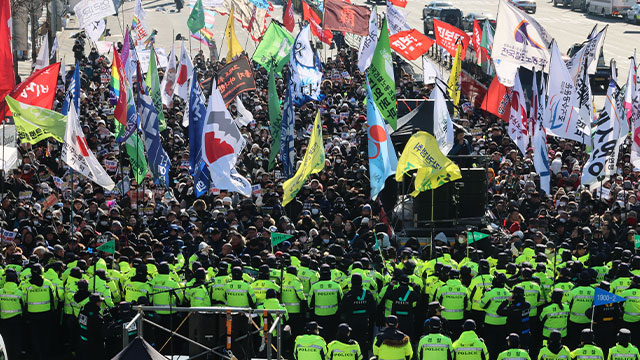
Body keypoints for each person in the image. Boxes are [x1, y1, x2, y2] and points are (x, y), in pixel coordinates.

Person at [22, 263, 55, 360]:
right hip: (46, 313)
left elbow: (24, 299)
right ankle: (45, 355)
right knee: (45, 335)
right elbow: (53, 295)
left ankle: (37, 355)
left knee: (35, 336)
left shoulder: (27, 284)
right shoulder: (48, 283)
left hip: (32, 314)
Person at [340, 273, 376, 355]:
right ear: (361, 282)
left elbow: (342, 309)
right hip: (364, 322)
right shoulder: (367, 294)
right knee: (363, 342)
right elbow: (373, 308)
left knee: (352, 341)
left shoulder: (348, 295)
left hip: (351, 322)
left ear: (352, 282)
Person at [309, 264, 342, 340]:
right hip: (333, 315)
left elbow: (309, 302)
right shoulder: (336, 285)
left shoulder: (314, 286)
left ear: (320, 274)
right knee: (332, 335)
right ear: (330, 273)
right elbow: (341, 300)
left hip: (318, 315)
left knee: (321, 336)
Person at [436, 269, 468, 339]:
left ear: (449, 276)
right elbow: (467, 305)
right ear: (459, 277)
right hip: (459, 318)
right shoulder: (464, 289)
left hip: (445, 318)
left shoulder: (442, 289)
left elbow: (437, 303)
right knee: (456, 338)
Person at [0, 269, 23, 360]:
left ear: (5, 281)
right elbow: (24, 304)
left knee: (6, 340)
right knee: (17, 339)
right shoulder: (19, 292)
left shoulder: (0, 292)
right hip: (16, 319)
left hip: (3, 320)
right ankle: (16, 356)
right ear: (15, 280)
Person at [77, 293, 105, 360]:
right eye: (99, 302)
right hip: (93, 343)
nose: (100, 303)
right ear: (96, 303)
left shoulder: (83, 311)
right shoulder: (96, 316)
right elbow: (101, 332)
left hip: (83, 340)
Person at [621, 276, 640, 347]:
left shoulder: (626, 292)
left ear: (634, 282)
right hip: (638, 321)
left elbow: (618, 304)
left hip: (626, 320)